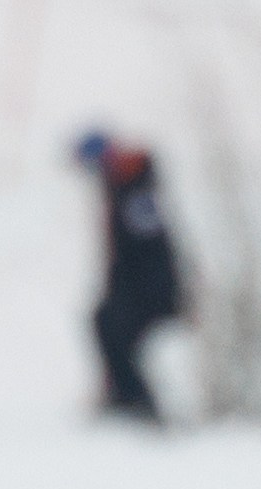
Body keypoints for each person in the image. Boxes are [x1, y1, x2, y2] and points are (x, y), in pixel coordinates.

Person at [72, 129, 183, 423]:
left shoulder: (135, 191)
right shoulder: (123, 188)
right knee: (106, 323)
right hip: (134, 289)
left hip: (151, 290)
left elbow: (150, 247)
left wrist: (147, 289)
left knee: (113, 327)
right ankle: (123, 398)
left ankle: (138, 403)